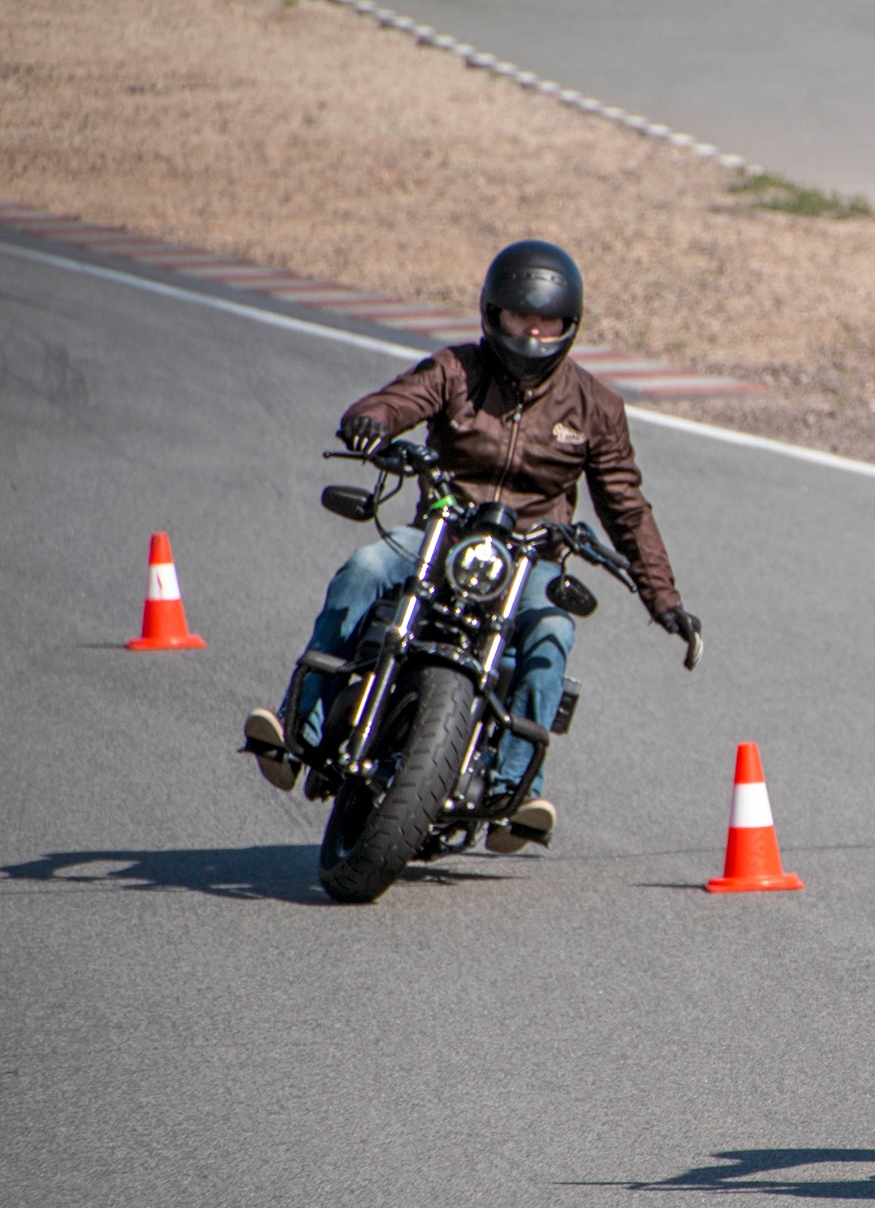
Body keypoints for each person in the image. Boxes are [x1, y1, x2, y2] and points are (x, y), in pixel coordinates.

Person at [244, 240, 700, 852]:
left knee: (552, 633)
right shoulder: (456, 369)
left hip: (529, 555)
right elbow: (397, 400)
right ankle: (302, 725)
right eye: (521, 319)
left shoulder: (596, 406)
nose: (534, 334)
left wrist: (664, 600)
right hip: (441, 532)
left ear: (570, 326)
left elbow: (625, 503)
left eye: (548, 323)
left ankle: (519, 788)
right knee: (364, 565)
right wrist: (371, 420)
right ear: (494, 315)